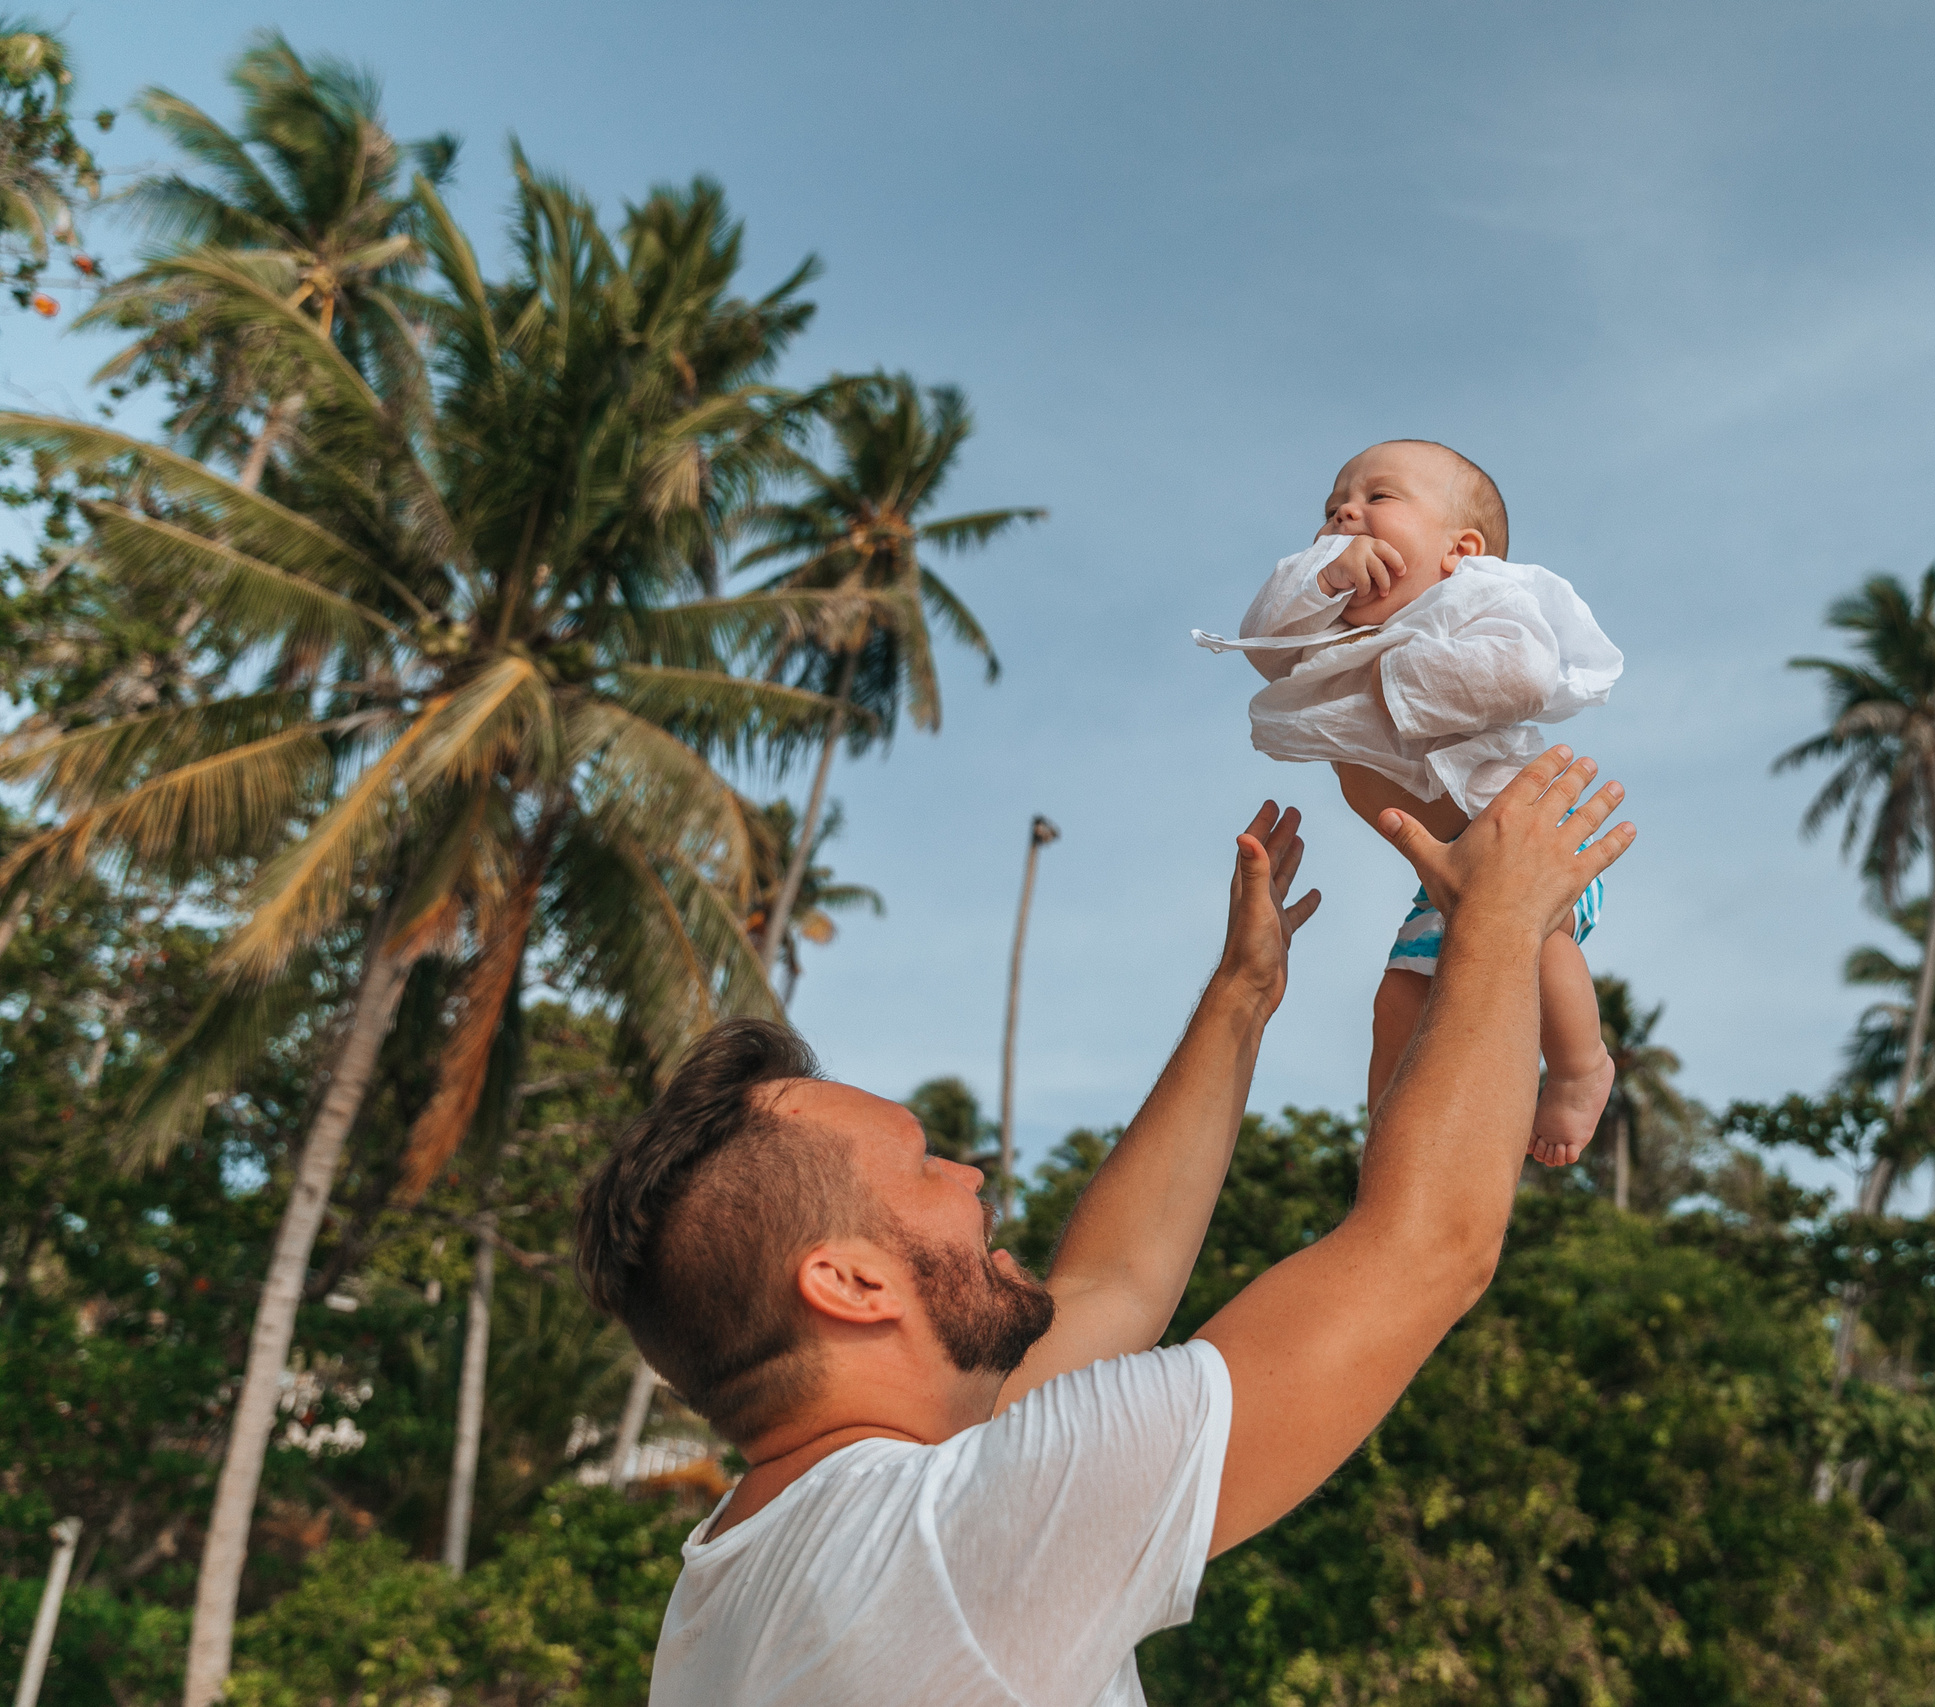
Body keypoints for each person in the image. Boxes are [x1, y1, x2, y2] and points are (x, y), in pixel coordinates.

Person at [573, 750, 1633, 1706]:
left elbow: (1113, 1287)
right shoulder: (954, 1542)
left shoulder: (747, 1573)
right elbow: (1427, 1249)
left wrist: (1242, 998)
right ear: (849, 1284)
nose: (971, 1172)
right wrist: (1499, 917)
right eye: (922, 1166)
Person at [1192, 440, 1625, 1164]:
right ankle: (1393, 1139)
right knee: (1397, 1001)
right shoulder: (1333, 635)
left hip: (1532, 840)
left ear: (1461, 550)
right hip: (1446, 881)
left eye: (1378, 499)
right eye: (1333, 508)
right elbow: (1265, 644)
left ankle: (1583, 1068)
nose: (1345, 511)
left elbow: (1523, 671)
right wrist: (1322, 578)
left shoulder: (1475, 600)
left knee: (1541, 943)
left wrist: (1390, 678)